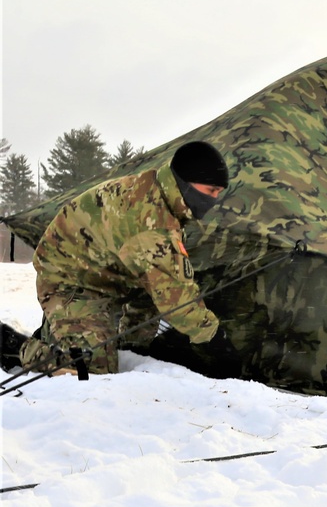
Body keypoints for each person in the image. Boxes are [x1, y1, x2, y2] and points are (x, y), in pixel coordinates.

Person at [9, 141, 239, 377]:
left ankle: (128, 350)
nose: (214, 200)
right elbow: (177, 300)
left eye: (219, 193)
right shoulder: (151, 223)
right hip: (70, 281)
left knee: (142, 324)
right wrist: (215, 340)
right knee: (90, 371)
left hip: (111, 275)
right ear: (186, 182)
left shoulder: (161, 191)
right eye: (211, 191)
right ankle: (18, 348)